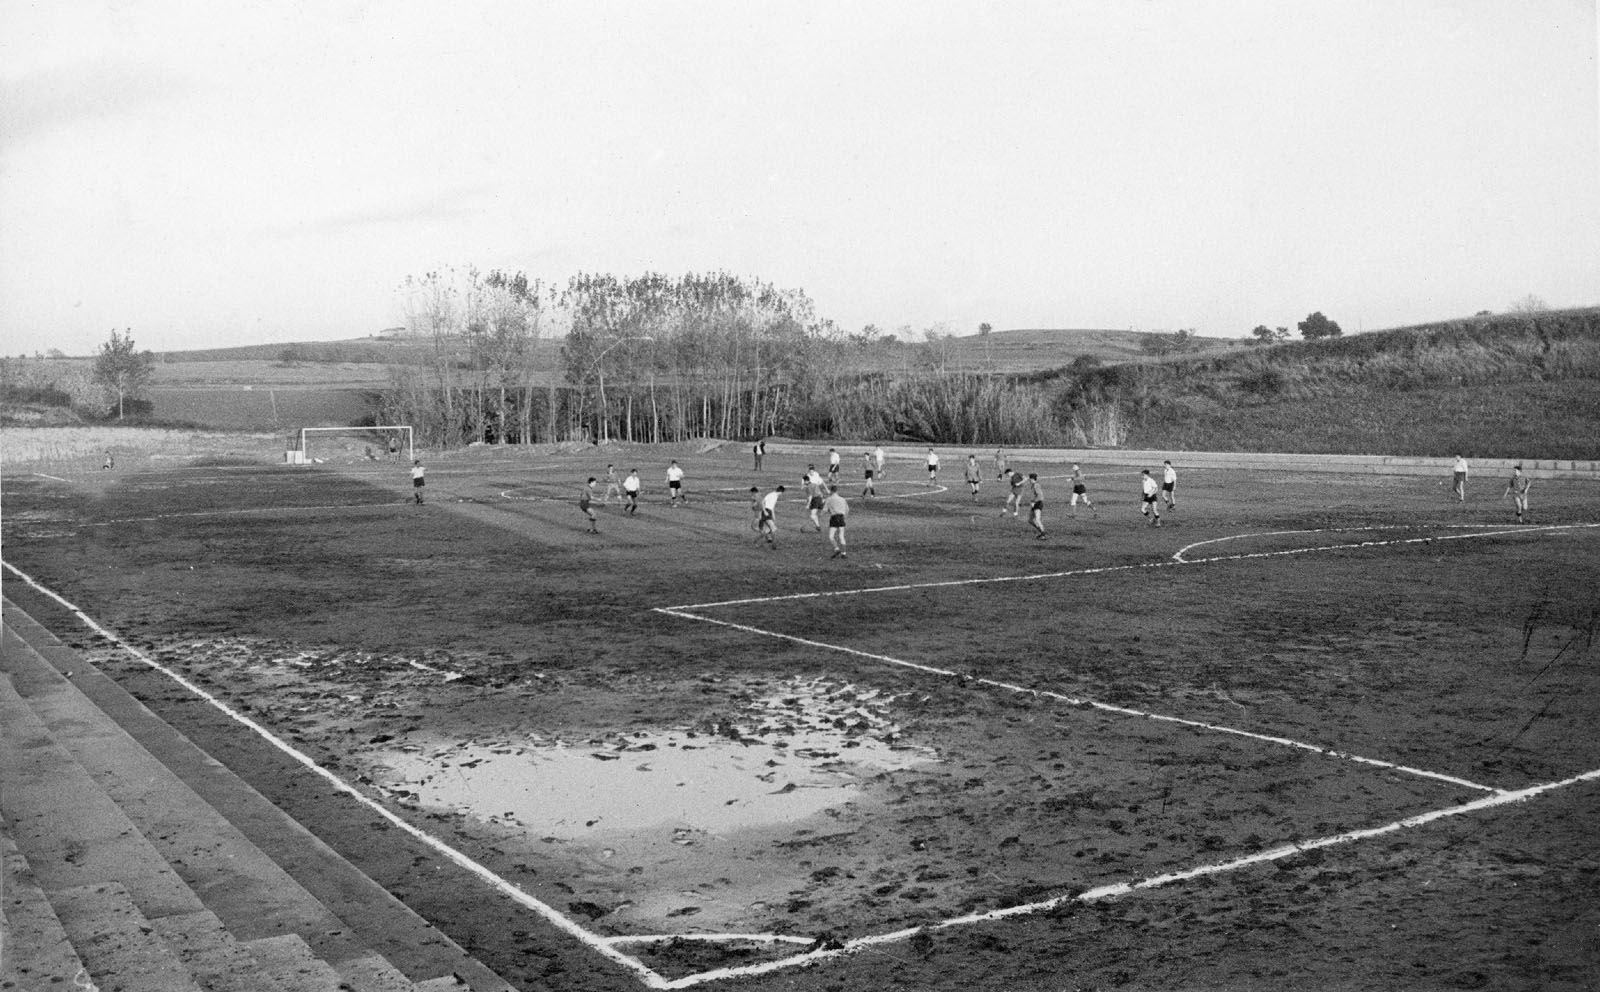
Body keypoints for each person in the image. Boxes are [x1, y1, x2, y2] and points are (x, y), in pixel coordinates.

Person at [823, 484, 850, 558]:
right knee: (841, 536)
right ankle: (844, 554)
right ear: (837, 491)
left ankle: (837, 549)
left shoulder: (829, 499)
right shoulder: (842, 499)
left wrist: (819, 515)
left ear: (831, 491)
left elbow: (825, 510)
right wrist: (844, 517)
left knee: (831, 536)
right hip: (841, 517)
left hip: (834, 518)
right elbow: (847, 510)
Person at [805, 466, 827, 531]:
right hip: (819, 499)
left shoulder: (809, 486)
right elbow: (819, 490)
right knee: (820, 512)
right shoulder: (814, 485)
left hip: (815, 500)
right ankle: (818, 526)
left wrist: (808, 504)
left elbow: (810, 496)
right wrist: (823, 498)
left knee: (812, 515)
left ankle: (817, 525)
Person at [1026, 473, 1046, 539]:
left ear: (1032, 479)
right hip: (1035, 503)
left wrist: (1034, 502)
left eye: (1029, 479)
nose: (1029, 480)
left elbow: (1040, 495)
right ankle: (1041, 532)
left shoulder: (1036, 485)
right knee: (1030, 520)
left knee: (1037, 519)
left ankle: (1043, 535)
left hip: (1038, 503)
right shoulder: (1033, 485)